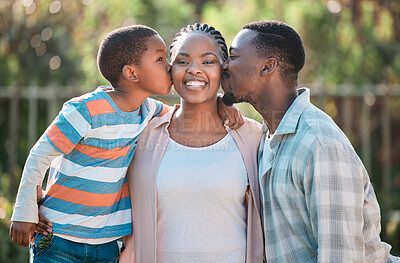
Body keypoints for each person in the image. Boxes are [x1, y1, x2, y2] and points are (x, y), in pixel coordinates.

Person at [221, 20, 400, 262]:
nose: (224, 65)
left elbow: (340, 256)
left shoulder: (319, 144)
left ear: (268, 66)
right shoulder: (266, 138)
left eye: (233, 56)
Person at [10, 25, 174, 262]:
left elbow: (182, 114)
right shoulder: (85, 110)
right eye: (160, 59)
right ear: (131, 73)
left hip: (106, 244)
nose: (169, 66)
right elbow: (39, 155)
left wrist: (223, 106)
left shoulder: (148, 110)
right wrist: (24, 212)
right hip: (58, 236)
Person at [119, 23, 264, 263]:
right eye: (183, 61)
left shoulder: (251, 137)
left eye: (207, 62)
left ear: (223, 70)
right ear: (170, 69)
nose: (194, 70)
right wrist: (39, 204)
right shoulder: (143, 134)